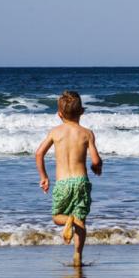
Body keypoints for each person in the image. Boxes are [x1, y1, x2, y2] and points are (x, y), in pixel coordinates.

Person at [36, 91, 103, 267]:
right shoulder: (87, 133)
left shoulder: (55, 132)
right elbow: (95, 160)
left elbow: (39, 153)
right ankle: (77, 256)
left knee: (57, 216)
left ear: (59, 114)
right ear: (82, 111)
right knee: (81, 219)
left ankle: (68, 220)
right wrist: (97, 168)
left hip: (63, 183)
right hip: (81, 182)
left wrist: (44, 177)